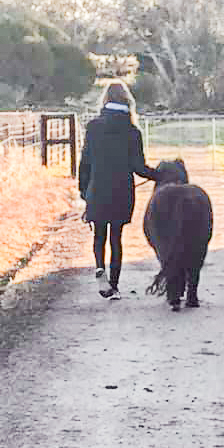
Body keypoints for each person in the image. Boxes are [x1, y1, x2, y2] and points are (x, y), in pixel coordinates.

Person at [78, 80, 160, 299]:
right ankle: (113, 287)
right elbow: (139, 168)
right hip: (122, 192)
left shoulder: (93, 127)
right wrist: (159, 174)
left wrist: (84, 192)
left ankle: (99, 268)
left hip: (97, 189)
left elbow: (85, 162)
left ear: (105, 100)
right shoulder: (132, 131)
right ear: (127, 101)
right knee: (116, 238)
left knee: (99, 236)